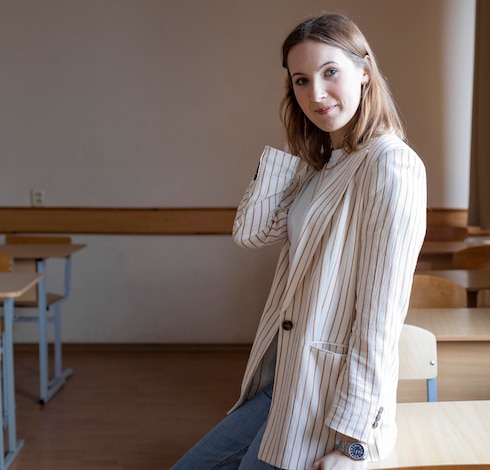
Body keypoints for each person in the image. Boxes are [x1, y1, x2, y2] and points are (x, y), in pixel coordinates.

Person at [172, 12, 426, 470]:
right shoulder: (328, 162)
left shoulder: (390, 164)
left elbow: (380, 317)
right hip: (282, 382)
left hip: (327, 402)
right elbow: (251, 233)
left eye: (331, 73)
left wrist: (354, 443)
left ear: (364, 71)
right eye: (301, 81)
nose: (316, 94)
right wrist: (304, 149)